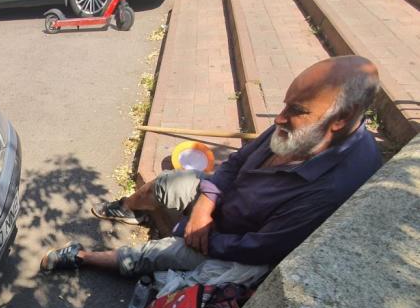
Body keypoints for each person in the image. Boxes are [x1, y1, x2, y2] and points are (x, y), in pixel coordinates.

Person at [40, 56, 382, 277]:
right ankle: (129, 209)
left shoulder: (334, 186)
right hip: (222, 206)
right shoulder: (300, 125)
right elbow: (233, 165)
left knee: (157, 253)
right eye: (285, 106)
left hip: (232, 246)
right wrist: (205, 205)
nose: (280, 117)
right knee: (167, 183)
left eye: (296, 110)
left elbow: (263, 248)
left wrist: (201, 238)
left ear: (341, 120)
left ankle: (83, 258)